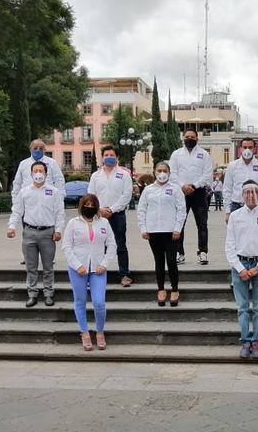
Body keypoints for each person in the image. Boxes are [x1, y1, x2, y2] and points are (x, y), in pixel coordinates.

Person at [225, 180, 258, 359]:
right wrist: (240, 269)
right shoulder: (235, 216)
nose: (251, 195)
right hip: (240, 264)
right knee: (242, 307)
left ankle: (256, 341)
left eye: (254, 192)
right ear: (242, 195)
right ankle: (245, 340)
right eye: (247, 192)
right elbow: (229, 246)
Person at [62, 194, 116, 351]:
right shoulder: (73, 223)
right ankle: (84, 333)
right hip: (78, 269)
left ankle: (99, 332)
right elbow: (66, 246)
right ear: (81, 206)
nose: (90, 207)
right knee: (80, 301)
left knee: (99, 302)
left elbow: (112, 245)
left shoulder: (104, 222)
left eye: (93, 205)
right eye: (87, 204)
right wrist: (77, 265)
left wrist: (104, 264)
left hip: (98, 270)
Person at [7, 161, 65, 307]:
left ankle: (48, 293)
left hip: (48, 233)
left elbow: (59, 212)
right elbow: (17, 210)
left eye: (41, 171)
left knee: (48, 267)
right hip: (30, 232)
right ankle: (32, 294)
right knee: (31, 267)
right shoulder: (24, 191)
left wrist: (58, 230)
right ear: (31, 173)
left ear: (46, 174)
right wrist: (12, 226)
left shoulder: (54, 191)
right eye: (36, 170)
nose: (38, 173)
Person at [137, 161, 186, 306]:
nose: (162, 173)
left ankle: (175, 289)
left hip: (171, 232)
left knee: (171, 261)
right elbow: (141, 210)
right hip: (153, 231)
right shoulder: (148, 190)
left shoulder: (176, 189)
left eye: (165, 170)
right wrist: (143, 229)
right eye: (159, 170)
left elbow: (181, 210)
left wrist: (178, 228)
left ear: (169, 172)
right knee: (159, 261)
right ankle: (161, 289)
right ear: (154, 172)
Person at [87, 145, 133, 286]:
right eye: (106, 155)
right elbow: (90, 195)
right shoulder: (95, 176)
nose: (109, 157)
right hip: (99, 216)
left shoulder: (124, 175)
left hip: (117, 215)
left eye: (111, 155)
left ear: (117, 157)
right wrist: (99, 210)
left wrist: (111, 210)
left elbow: (126, 195)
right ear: (102, 158)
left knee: (120, 245)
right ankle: (95, 275)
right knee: (97, 245)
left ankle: (124, 275)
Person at [168, 128, 214, 265]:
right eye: (187, 136)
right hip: (180, 192)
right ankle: (179, 252)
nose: (190, 139)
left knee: (202, 224)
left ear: (197, 138)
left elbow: (207, 174)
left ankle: (203, 252)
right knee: (179, 224)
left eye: (192, 137)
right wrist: (182, 186)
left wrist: (194, 186)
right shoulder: (176, 154)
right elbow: (172, 173)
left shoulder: (204, 154)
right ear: (183, 138)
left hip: (199, 193)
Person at [223, 137, 258, 219]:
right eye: (245, 147)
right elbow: (227, 189)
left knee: (257, 231)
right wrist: (227, 211)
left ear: (254, 149)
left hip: (257, 206)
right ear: (240, 149)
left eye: (250, 147)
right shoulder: (232, 166)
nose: (247, 150)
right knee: (237, 231)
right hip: (237, 206)